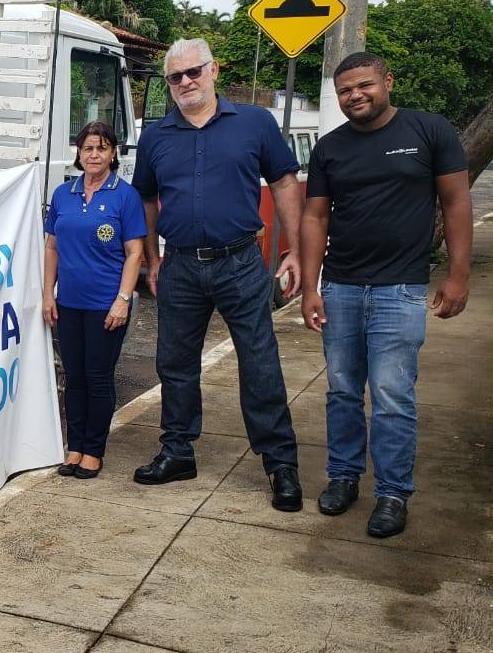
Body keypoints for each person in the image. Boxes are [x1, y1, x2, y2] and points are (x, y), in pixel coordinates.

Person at [300, 52, 472, 538]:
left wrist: (458, 276)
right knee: (341, 390)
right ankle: (343, 477)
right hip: (341, 288)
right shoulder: (330, 148)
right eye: (345, 90)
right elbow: (315, 217)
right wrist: (312, 288)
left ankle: (393, 493)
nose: (355, 95)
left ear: (387, 81)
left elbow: (456, 203)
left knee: (393, 395)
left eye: (364, 85)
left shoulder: (429, 132)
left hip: (401, 289)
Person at [132, 38, 305, 511]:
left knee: (260, 361)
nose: (186, 82)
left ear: (213, 71)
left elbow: (285, 181)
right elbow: (145, 198)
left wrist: (294, 251)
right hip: (181, 264)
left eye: (194, 72)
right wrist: (151, 256)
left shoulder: (254, 122)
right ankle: (177, 451)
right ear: (168, 84)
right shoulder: (156, 136)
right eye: (176, 77)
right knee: (175, 362)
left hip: (242, 263)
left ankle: (280, 463)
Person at [42, 120, 145, 478]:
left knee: (98, 377)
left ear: (113, 152)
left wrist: (123, 299)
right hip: (68, 303)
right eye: (88, 148)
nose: (94, 154)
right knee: (74, 377)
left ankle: (93, 450)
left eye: (101, 147)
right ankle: (75, 447)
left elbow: (135, 253)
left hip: (106, 305)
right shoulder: (63, 194)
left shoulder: (124, 195)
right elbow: (51, 247)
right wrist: (47, 295)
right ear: (79, 153)